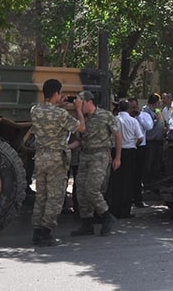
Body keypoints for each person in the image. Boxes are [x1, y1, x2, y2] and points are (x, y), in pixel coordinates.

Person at [30, 79, 85, 247]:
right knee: (55, 197)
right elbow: (81, 128)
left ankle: (37, 231)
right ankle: (46, 232)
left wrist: (59, 106)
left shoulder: (35, 110)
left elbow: (48, 116)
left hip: (40, 158)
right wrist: (78, 109)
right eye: (60, 93)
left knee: (41, 196)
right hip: (56, 160)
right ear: (56, 94)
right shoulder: (61, 115)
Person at [71, 90, 122, 237]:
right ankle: (87, 223)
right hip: (85, 155)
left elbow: (117, 136)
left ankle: (106, 216)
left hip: (100, 155)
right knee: (81, 190)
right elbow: (79, 140)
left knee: (92, 188)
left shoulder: (105, 115)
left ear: (89, 102)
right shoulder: (81, 118)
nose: (78, 106)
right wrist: (66, 147)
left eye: (81, 103)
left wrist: (118, 157)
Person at [108, 100, 144, 218]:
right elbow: (140, 137)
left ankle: (114, 209)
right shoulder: (133, 121)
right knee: (128, 181)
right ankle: (125, 210)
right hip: (129, 151)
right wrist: (133, 143)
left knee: (116, 181)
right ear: (129, 109)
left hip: (115, 150)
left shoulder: (114, 119)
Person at [129, 97, 152, 208]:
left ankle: (138, 199)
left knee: (139, 174)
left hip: (141, 147)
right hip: (129, 147)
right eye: (131, 108)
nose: (133, 109)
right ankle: (129, 198)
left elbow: (149, 127)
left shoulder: (144, 116)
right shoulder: (127, 117)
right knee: (129, 174)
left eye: (135, 107)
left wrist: (138, 117)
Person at [142, 93, 165, 184]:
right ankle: (147, 182)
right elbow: (148, 125)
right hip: (150, 141)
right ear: (154, 102)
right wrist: (157, 120)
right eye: (159, 102)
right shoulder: (146, 111)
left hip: (158, 140)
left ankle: (154, 181)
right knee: (149, 163)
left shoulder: (156, 110)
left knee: (156, 163)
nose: (160, 104)